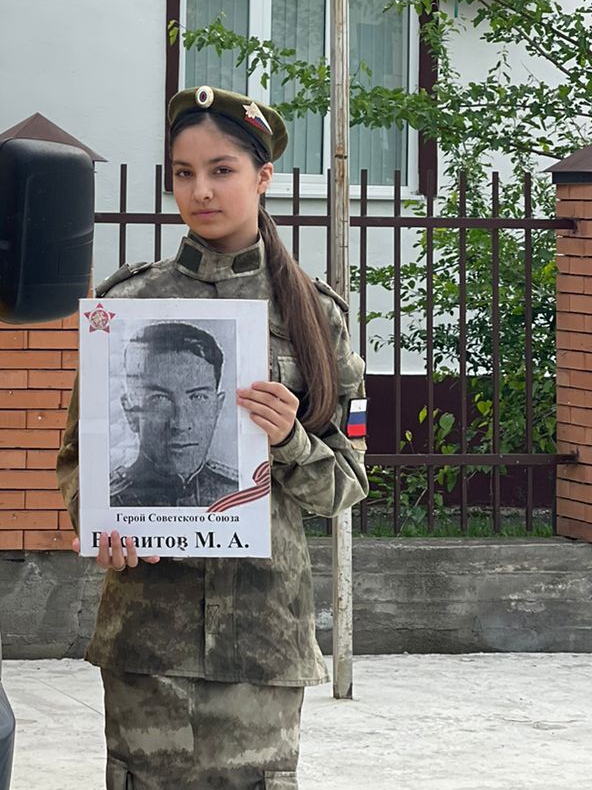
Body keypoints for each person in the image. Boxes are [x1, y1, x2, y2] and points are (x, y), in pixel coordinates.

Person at [56, 85, 369, 790]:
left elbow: (347, 485)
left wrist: (290, 439)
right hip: (147, 637)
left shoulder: (315, 317)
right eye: (183, 172)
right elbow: (79, 456)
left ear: (263, 176)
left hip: (262, 641)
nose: (200, 190)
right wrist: (98, 522)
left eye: (222, 170)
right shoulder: (126, 307)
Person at [109, 321, 238, 508]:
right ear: (131, 412)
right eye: (159, 399)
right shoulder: (106, 501)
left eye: (198, 397)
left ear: (217, 408)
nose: (180, 424)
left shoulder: (239, 494)